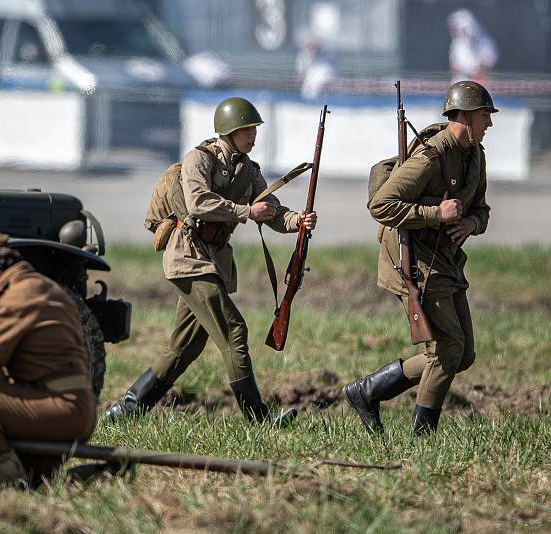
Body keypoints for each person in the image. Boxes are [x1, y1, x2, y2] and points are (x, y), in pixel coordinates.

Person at [104, 97, 317, 427]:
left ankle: (127, 409)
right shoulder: (198, 160)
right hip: (188, 257)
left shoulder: (248, 169)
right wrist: (246, 212)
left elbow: (271, 210)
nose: (252, 135)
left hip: (212, 261)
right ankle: (259, 419)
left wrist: (297, 220)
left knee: (183, 348)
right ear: (229, 131)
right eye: (246, 129)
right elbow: (199, 202)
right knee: (234, 331)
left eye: (254, 130)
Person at [344, 81, 496, 435]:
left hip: (445, 259)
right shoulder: (432, 156)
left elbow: (482, 209)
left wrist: (472, 222)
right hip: (413, 260)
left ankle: (367, 391)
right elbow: (381, 204)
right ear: (463, 115)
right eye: (484, 116)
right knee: (447, 349)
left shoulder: (475, 155)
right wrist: (435, 214)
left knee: (463, 353)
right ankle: (422, 437)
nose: (489, 124)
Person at [0, 231, 97, 484]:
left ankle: (11, 481)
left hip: (58, 410)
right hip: (74, 406)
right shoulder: (45, 286)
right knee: (42, 481)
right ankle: (78, 478)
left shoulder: (12, 297)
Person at [447, 8, 498, 84]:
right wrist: (469, 72)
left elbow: (490, 63)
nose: (457, 30)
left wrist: (479, 71)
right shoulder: (456, 44)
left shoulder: (486, 42)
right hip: (459, 85)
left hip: (480, 86)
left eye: (460, 28)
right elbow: (453, 66)